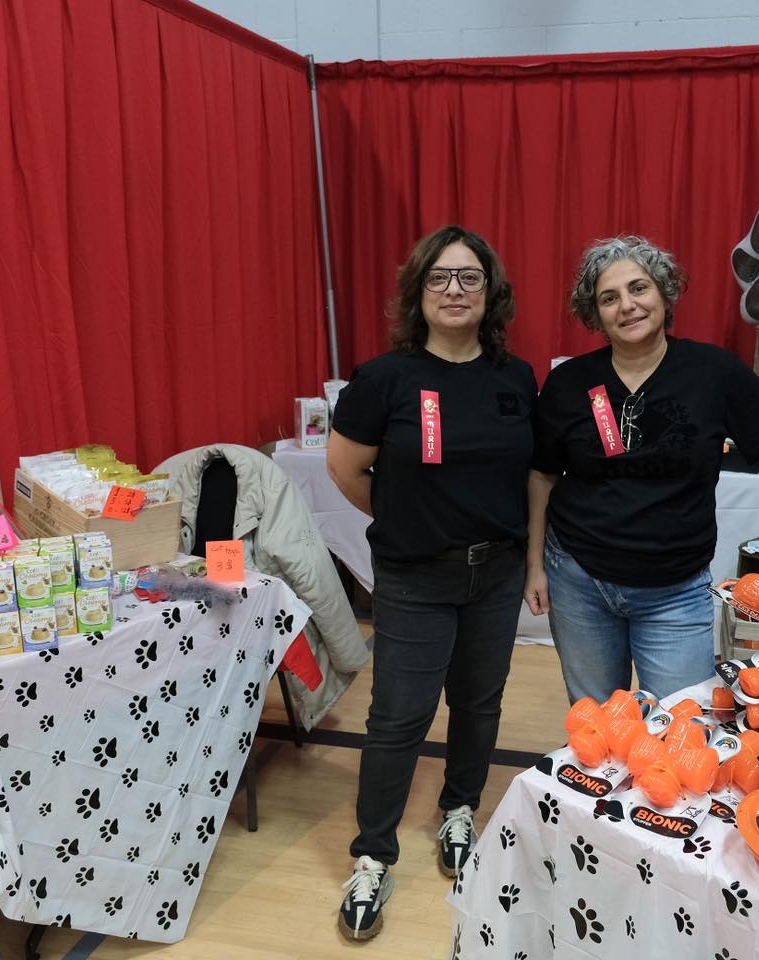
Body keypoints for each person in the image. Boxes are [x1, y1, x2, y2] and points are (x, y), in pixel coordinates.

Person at [524, 235, 759, 703]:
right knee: (597, 722)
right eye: (609, 297)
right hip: (579, 580)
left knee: (683, 721)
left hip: (674, 592)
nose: (627, 305)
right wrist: (535, 566)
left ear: (663, 293)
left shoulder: (713, 372)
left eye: (638, 288)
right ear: (596, 314)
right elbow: (542, 474)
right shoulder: (569, 382)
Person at [326, 225, 537, 941]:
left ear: (490, 292)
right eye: (439, 278)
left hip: (496, 573)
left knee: (478, 703)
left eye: (469, 277)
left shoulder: (516, 378)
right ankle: (372, 856)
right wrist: (411, 518)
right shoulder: (383, 379)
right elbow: (345, 470)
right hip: (414, 575)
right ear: (417, 292)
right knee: (398, 718)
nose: (454, 290)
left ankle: (458, 809)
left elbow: (529, 473)